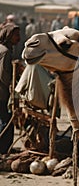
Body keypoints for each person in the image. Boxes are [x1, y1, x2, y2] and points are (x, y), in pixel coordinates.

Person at [0, 23, 20, 154]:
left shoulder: (3, 48)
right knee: (6, 120)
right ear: (8, 36)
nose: (19, 37)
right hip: (2, 92)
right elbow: (3, 75)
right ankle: (4, 148)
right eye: (16, 35)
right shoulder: (5, 52)